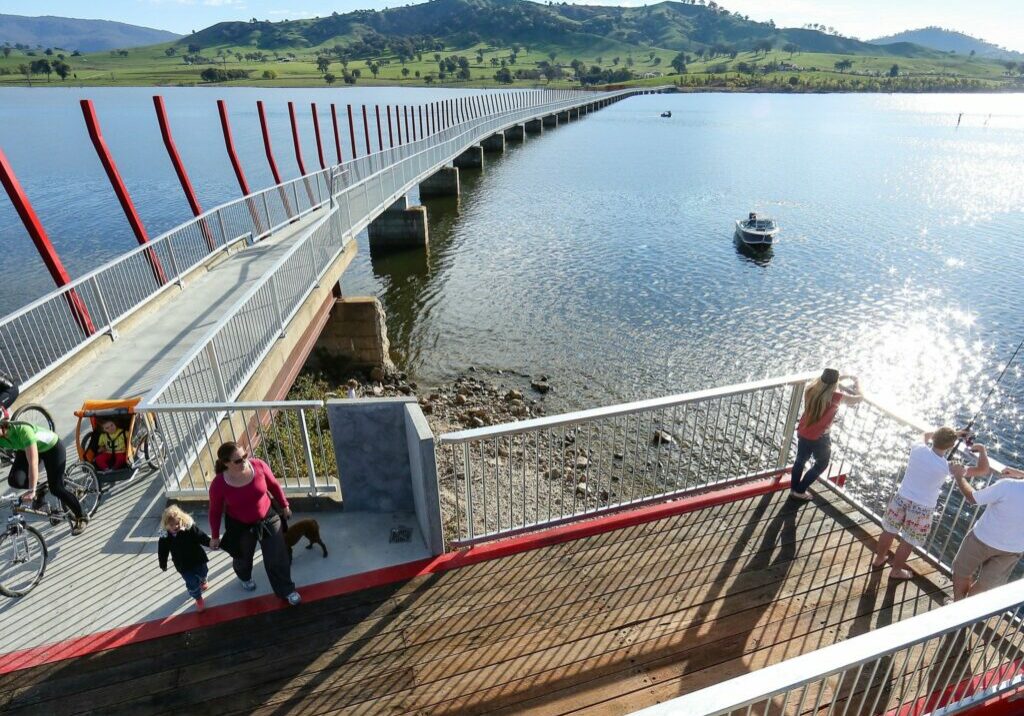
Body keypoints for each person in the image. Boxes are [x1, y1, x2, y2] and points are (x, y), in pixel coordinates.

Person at [871, 429, 989, 580]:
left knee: (889, 531)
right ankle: (895, 571)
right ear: (951, 446)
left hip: (901, 498)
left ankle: (879, 559)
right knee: (907, 541)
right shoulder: (948, 467)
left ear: (935, 438)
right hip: (922, 508)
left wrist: (956, 433)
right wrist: (982, 450)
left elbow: (925, 434)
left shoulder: (918, 448)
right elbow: (983, 470)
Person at [208, 442, 301, 606]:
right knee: (243, 558)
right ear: (225, 463)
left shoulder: (259, 466)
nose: (244, 461)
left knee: (277, 556)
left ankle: (286, 590)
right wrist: (215, 536)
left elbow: (273, 485)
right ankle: (244, 576)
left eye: (245, 456)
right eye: (238, 460)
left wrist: (284, 505)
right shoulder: (219, 484)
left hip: (268, 518)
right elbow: (214, 511)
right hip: (240, 526)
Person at [0, 416, 87, 535]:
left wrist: (32, 490)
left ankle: (81, 517)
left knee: (56, 488)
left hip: (52, 448)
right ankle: (42, 489)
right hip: (25, 448)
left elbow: (33, 463)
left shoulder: (23, 430)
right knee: (15, 480)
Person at [950, 464, 1024, 600]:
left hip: (982, 539)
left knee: (962, 572)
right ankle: (966, 612)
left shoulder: (1007, 486)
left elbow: (973, 498)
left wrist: (959, 476)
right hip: (1012, 551)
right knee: (986, 585)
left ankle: (958, 604)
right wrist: (1020, 473)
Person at [790, 368, 862, 500]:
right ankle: (800, 490)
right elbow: (858, 399)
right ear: (835, 384)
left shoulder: (810, 389)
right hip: (820, 437)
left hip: (804, 431)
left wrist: (840, 378)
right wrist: (857, 382)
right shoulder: (836, 397)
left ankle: (793, 489)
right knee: (822, 464)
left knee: (800, 461)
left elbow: (823, 382)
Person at [158, 505, 212, 611]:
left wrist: (210, 542)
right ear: (166, 525)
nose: (175, 526)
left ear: (181, 519)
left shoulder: (189, 528)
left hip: (198, 559)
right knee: (191, 582)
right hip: (183, 564)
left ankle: (203, 579)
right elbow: (162, 551)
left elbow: (201, 536)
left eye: (177, 523)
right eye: (171, 525)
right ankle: (198, 598)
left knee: (203, 571)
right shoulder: (164, 536)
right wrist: (163, 563)